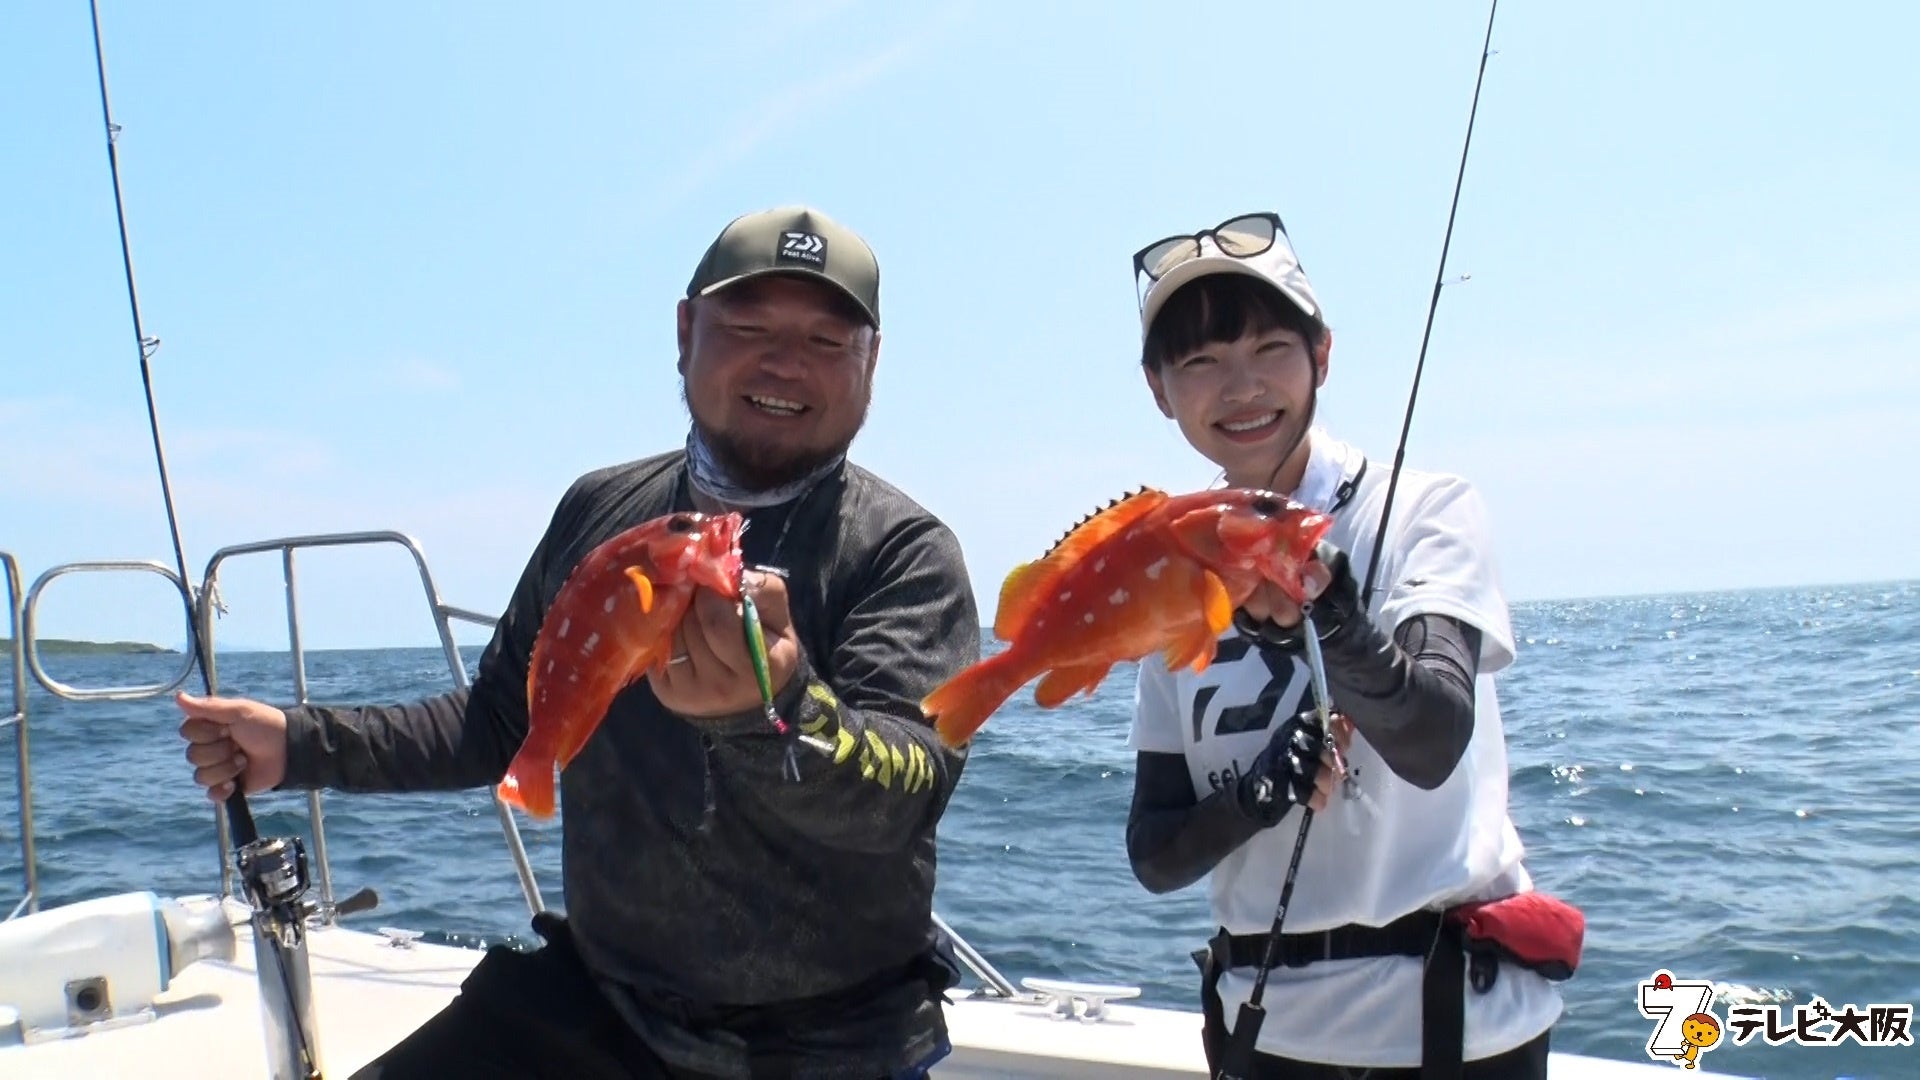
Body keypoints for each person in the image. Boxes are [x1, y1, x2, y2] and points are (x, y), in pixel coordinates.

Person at [176, 206, 982, 1080]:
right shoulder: (601, 512)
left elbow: (908, 789)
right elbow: (502, 723)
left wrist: (776, 712)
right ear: (685, 333)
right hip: (600, 1004)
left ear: (872, 365)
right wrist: (295, 744)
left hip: (828, 1040)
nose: (785, 363)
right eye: (748, 328)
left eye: (828, 342)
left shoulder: (905, 552)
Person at [1121, 211, 1570, 1079]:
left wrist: (1326, 613)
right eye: (1202, 363)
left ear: (1322, 354)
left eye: (1271, 351)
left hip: (1453, 1032)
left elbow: (1434, 736)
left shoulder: (1427, 512)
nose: (1242, 388)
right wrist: (1261, 793)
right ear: (1159, 388)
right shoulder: (1178, 562)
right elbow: (1154, 851)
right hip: (1265, 1038)